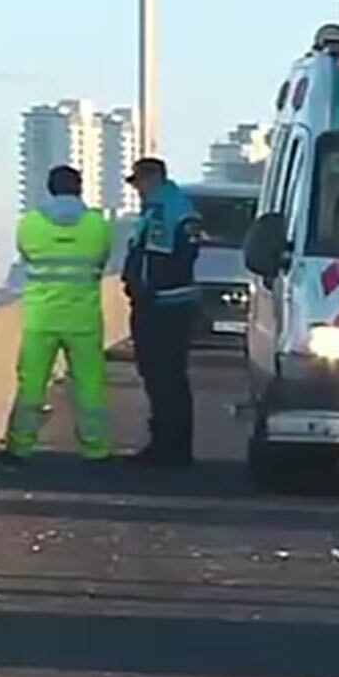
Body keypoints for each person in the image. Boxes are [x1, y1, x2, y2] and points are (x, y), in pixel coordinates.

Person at [4, 166, 114, 462]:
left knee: (32, 385)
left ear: (50, 188)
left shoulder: (30, 224)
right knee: (90, 386)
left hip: (41, 318)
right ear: (80, 188)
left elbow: (26, 258)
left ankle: (20, 445)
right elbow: (101, 262)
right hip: (83, 319)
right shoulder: (97, 225)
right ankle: (95, 448)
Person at [121, 157, 201, 466]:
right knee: (161, 376)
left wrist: (151, 289)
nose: (137, 190)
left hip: (165, 306)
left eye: (139, 182)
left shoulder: (171, 210)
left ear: (151, 178)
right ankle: (167, 444)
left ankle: (171, 447)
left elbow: (174, 257)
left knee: (165, 376)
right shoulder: (161, 207)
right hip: (159, 302)